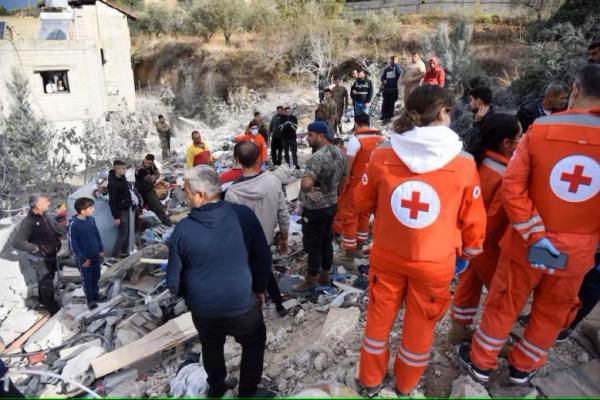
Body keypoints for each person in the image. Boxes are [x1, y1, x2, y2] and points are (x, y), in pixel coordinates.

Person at [458, 64, 600, 386]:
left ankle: (481, 363)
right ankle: (524, 368)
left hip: (529, 244)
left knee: (504, 303)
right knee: (552, 312)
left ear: (574, 91)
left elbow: (513, 187)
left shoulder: (541, 129)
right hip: (577, 253)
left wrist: (536, 233)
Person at [356, 85, 486, 397]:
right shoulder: (464, 162)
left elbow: (361, 203)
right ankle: (406, 385)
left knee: (378, 321)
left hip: (387, 255)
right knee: (420, 326)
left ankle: (371, 382)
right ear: (443, 114)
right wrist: (469, 252)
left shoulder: (382, 153)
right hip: (436, 262)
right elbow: (474, 219)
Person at [166, 166, 273, 398]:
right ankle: (247, 392)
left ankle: (216, 386)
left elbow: (173, 283)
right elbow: (262, 255)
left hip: (204, 310)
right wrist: (259, 289)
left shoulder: (182, 230)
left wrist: (193, 297)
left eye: (186, 191)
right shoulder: (243, 215)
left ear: (200, 195)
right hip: (241, 304)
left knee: (211, 344)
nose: (184, 196)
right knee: (253, 341)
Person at [448, 114, 523, 344]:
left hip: (470, 241)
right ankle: (492, 341)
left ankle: (458, 330)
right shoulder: (506, 174)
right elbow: (492, 219)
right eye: (519, 137)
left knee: (468, 284)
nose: (522, 141)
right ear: (507, 143)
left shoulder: (474, 162)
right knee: (502, 295)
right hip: (489, 246)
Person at [225, 141, 290, 316]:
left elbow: (232, 226)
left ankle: (255, 311)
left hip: (245, 246)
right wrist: (284, 237)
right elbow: (283, 212)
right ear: (259, 158)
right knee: (265, 270)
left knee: (252, 275)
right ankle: (278, 304)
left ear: (237, 160)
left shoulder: (233, 192)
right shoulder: (273, 180)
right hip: (266, 240)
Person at [293, 121, 346, 291]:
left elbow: (307, 182)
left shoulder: (317, 157)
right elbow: (345, 180)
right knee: (326, 240)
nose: (307, 138)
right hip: (331, 205)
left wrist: (305, 188)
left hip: (315, 208)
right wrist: (334, 195)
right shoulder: (340, 153)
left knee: (313, 244)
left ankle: (311, 280)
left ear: (321, 136)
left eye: (310, 135)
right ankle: (324, 275)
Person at [333, 113, 383, 268]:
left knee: (349, 217)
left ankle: (348, 255)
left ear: (356, 123)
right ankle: (359, 248)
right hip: (373, 185)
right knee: (364, 216)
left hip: (356, 185)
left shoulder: (356, 141)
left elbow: (348, 167)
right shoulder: (381, 141)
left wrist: (342, 185)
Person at [11, 194, 63, 315]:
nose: (48, 204)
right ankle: (52, 308)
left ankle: (42, 300)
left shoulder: (43, 215)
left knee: (47, 279)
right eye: (45, 202)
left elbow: (50, 229)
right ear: (37, 205)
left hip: (49, 254)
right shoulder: (29, 221)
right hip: (40, 258)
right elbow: (16, 242)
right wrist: (33, 247)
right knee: (46, 282)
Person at [68, 197, 104, 310]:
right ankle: (90, 300)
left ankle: (96, 294)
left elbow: (96, 234)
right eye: (90, 208)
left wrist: (100, 248)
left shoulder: (91, 220)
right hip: (84, 259)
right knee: (87, 279)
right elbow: (72, 244)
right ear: (83, 211)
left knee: (96, 275)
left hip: (95, 255)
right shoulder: (73, 225)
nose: (93, 209)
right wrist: (82, 259)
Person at [135, 154, 173, 227]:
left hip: (150, 188)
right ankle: (169, 224)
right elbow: (150, 180)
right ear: (144, 159)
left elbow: (158, 173)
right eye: (146, 162)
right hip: (143, 190)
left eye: (149, 163)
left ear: (152, 162)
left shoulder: (152, 164)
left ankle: (163, 223)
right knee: (157, 207)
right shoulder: (140, 168)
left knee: (157, 206)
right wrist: (154, 176)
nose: (147, 164)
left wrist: (153, 177)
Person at [108, 160, 132, 258]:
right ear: (117, 169)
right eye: (123, 168)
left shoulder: (122, 177)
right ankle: (114, 256)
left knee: (127, 232)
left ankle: (124, 252)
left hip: (126, 207)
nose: (125, 170)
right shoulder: (112, 183)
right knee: (123, 233)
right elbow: (112, 201)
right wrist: (116, 216)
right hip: (120, 210)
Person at [463, 86, 495, 151]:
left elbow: (470, 143)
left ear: (478, 101)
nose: (470, 103)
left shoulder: (489, 121)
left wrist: (477, 122)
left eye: (471, 100)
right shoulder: (485, 113)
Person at [381, 56, 403, 123]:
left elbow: (400, 74)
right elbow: (382, 77)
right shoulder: (387, 69)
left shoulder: (398, 68)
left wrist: (396, 65)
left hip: (393, 90)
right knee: (384, 104)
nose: (392, 61)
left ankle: (389, 117)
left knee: (391, 104)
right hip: (386, 89)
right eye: (392, 60)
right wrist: (383, 80)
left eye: (394, 60)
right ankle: (383, 116)